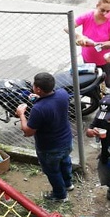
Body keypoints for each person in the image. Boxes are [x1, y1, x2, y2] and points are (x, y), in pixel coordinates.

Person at [15, 72, 74, 202]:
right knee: (65, 161)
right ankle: (68, 184)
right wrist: (38, 98)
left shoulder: (38, 109)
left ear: (38, 89)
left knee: (52, 171)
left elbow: (28, 132)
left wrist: (21, 114)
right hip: (67, 140)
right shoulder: (62, 94)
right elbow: (52, 104)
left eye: (34, 85)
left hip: (49, 148)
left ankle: (60, 195)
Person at [68, 0, 110, 93]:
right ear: (97, 6)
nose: (105, 13)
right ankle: (95, 103)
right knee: (92, 84)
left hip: (106, 60)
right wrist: (79, 36)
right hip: (89, 59)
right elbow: (67, 27)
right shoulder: (88, 16)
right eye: (102, 10)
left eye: (108, 11)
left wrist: (95, 44)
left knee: (109, 83)